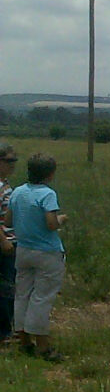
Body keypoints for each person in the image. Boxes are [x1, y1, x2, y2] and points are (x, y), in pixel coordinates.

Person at [5, 153, 68, 361]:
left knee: (22, 294)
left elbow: (8, 220)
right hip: (47, 251)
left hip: (23, 250)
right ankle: (43, 346)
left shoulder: (17, 192)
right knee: (42, 298)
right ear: (50, 174)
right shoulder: (47, 194)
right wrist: (61, 219)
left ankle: (24, 341)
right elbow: (51, 223)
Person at [0, 142, 18, 344]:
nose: (13, 165)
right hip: (4, 244)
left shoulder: (5, 184)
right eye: (9, 161)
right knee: (6, 289)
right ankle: (4, 332)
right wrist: (4, 240)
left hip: (10, 241)